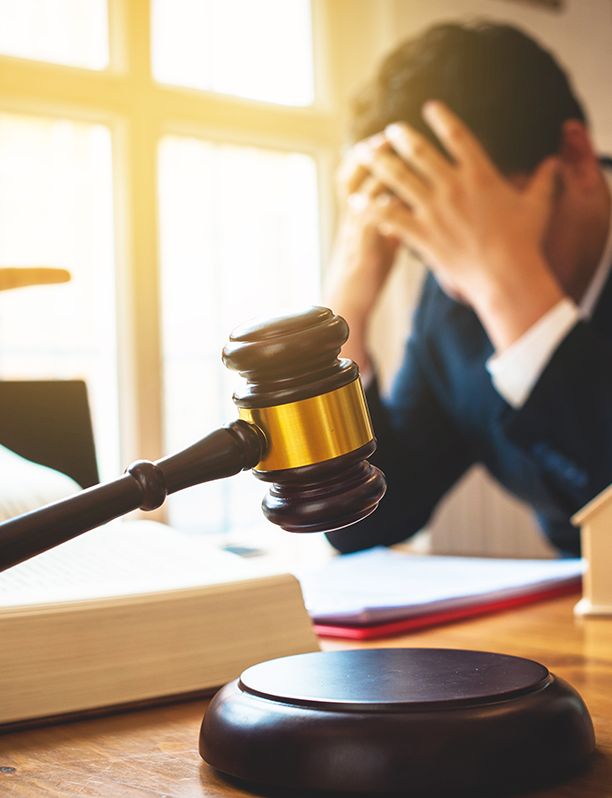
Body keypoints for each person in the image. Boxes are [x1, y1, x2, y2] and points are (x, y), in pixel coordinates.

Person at [324, 21, 612, 557]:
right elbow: (365, 524)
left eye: (477, 236)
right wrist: (339, 322)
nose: (459, 283)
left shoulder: (482, 287)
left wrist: (512, 292)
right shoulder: (450, 305)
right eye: (431, 246)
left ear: (575, 157)